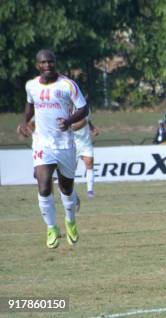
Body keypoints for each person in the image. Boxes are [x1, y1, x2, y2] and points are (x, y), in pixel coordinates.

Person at [17, 49, 89, 249]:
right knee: (43, 185)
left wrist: (69, 120)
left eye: (50, 62)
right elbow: (30, 105)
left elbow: (84, 109)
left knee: (66, 189)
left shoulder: (68, 85)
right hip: (42, 143)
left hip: (65, 144)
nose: (47, 65)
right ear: (37, 65)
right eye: (43, 62)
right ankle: (51, 227)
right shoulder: (31, 86)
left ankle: (71, 222)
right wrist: (25, 122)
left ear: (55, 63)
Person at [73, 116, 99, 198]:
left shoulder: (86, 107)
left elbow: (88, 119)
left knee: (89, 164)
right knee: (71, 169)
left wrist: (92, 128)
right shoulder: (67, 107)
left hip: (86, 143)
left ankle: (90, 191)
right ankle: (67, 190)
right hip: (73, 144)